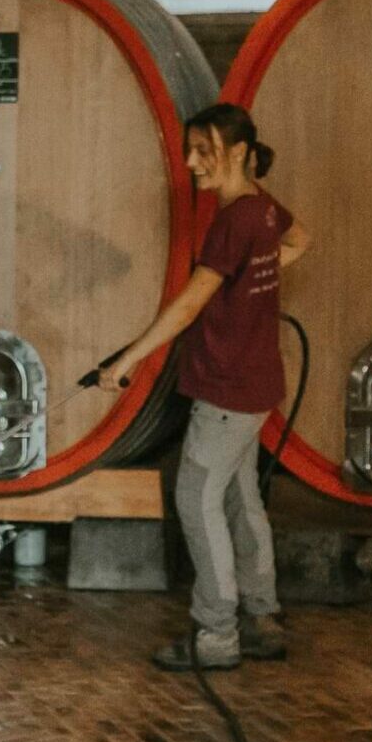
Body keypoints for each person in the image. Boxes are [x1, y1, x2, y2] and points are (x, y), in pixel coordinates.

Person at [96, 103, 309, 671]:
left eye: (202, 150)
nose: (190, 163)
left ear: (237, 152)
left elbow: (188, 306)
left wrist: (126, 361)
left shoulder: (234, 221)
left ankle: (216, 636)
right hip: (259, 384)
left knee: (196, 499)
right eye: (189, 150)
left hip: (227, 391)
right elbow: (302, 241)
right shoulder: (263, 211)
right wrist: (246, 291)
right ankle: (262, 618)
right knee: (241, 499)